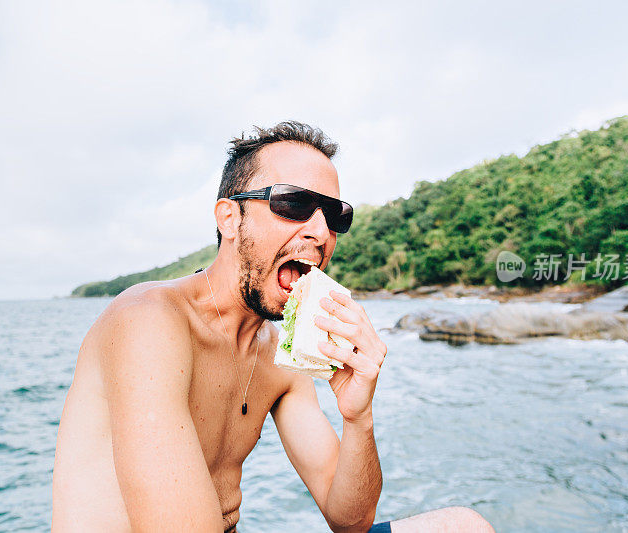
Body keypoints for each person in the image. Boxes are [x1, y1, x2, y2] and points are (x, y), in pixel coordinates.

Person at [51, 121, 494, 532]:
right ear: (229, 218)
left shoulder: (280, 354)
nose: (321, 233)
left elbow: (351, 521)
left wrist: (358, 416)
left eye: (335, 216)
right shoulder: (148, 320)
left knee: (464, 526)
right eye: (294, 204)